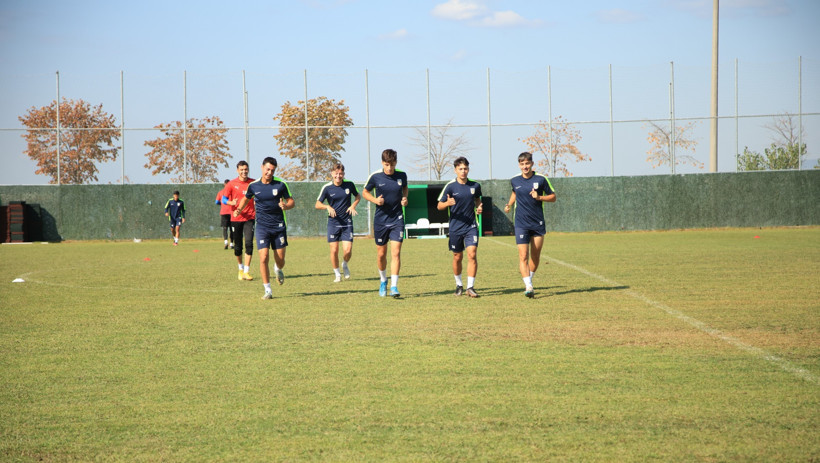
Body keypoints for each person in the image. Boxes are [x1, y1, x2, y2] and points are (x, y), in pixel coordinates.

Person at [234, 157, 294, 300]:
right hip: (262, 227)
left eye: (272, 170)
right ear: (262, 167)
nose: (269, 172)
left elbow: (291, 201)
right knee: (263, 257)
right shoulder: (254, 186)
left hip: (278, 226)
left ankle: (278, 269)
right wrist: (239, 209)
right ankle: (267, 289)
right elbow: (246, 198)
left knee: (280, 260)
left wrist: (286, 206)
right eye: (267, 169)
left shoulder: (280, 184)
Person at [504, 151, 556, 298]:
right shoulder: (515, 180)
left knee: (535, 256)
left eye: (527, 163)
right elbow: (515, 192)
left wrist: (539, 197)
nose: (525, 166)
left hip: (538, 223)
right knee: (523, 256)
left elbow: (553, 197)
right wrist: (509, 204)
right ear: (519, 165)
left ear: (532, 164)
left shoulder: (541, 179)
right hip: (521, 223)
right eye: (522, 164)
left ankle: (529, 280)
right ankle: (528, 285)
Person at [362, 149, 408, 298]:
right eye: (387, 164)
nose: (389, 168)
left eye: (392, 164)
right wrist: (375, 200)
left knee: (396, 253)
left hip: (397, 220)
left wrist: (405, 198)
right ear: (382, 163)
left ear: (396, 163)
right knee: (381, 255)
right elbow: (365, 192)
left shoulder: (402, 176)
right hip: (381, 220)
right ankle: (383, 281)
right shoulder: (375, 177)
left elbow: (405, 188)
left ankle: (394, 286)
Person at [437, 157, 483, 298]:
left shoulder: (475, 186)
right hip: (455, 227)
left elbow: (477, 200)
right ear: (455, 170)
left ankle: (470, 287)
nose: (463, 171)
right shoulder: (450, 186)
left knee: (472, 254)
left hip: (471, 226)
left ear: (468, 169)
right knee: (457, 257)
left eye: (465, 169)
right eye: (460, 169)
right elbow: (439, 206)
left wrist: (479, 207)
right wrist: (447, 203)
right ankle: (459, 285)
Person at [315, 163, 361, 283]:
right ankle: (337, 274)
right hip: (333, 223)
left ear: (343, 174)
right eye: (336, 173)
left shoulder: (349, 185)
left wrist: (353, 206)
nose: (338, 176)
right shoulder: (327, 188)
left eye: (340, 174)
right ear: (332, 174)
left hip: (347, 222)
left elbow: (358, 196)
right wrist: (327, 207)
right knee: (334, 250)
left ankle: (344, 264)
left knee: (348, 250)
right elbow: (317, 204)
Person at [224, 161, 256, 281]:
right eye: (241, 170)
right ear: (237, 170)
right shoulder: (231, 184)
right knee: (238, 247)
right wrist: (230, 202)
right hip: (236, 218)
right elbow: (223, 198)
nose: (244, 172)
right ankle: (240, 269)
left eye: (246, 169)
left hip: (250, 218)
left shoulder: (253, 183)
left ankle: (247, 272)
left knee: (249, 243)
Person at [216, 179, 234, 250]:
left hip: (224, 213)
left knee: (225, 228)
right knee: (231, 228)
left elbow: (216, 202)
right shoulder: (232, 193)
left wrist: (222, 204)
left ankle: (226, 242)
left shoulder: (221, 193)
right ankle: (231, 244)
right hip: (230, 212)